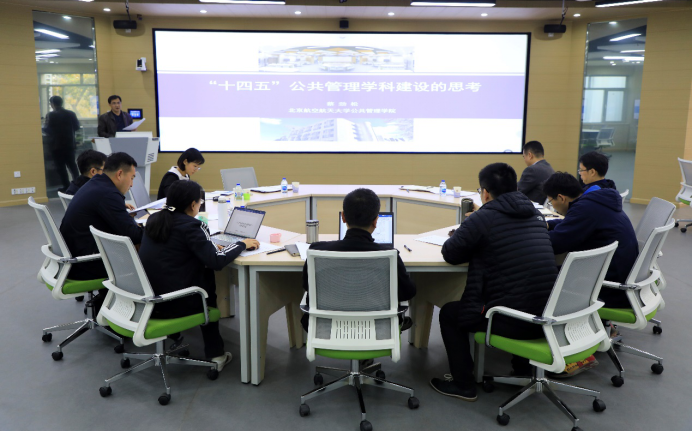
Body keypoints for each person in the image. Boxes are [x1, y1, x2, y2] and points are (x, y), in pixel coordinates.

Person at [430, 163, 558, 402]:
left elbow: (451, 253)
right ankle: (523, 370)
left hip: (514, 320)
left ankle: (463, 384)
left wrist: (468, 227)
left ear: (485, 193)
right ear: (515, 188)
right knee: (521, 289)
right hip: (548, 315)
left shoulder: (483, 218)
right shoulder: (536, 214)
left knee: (450, 314)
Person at [139, 181, 258, 371]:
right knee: (205, 278)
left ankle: (175, 335)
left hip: (148, 299)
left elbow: (176, 249)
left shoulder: (155, 220)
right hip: (178, 303)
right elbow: (216, 261)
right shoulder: (193, 225)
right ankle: (216, 354)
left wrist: (208, 246)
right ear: (193, 204)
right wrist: (242, 244)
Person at [300, 188, 416, 332]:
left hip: (327, 328)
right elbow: (408, 292)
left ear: (343, 217)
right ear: (376, 221)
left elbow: (307, 285)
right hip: (378, 329)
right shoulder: (389, 254)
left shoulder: (317, 251)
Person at [60, 152, 143, 310]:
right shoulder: (108, 194)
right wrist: (155, 227)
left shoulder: (96, 184)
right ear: (120, 174)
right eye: (132, 178)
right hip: (85, 264)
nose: (132, 184)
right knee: (143, 252)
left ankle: (108, 304)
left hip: (73, 258)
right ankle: (128, 309)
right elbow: (134, 235)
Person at [543, 172, 638, 308]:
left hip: (610, 290)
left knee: (542, 274)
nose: (552, 205)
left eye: (551, 202)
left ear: (561, 198)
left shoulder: (583, 209)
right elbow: (574, 223)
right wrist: (548, 224)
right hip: (621, 278)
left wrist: (532, 234)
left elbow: (555, 244)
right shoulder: (593, 202)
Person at [44, 95, 80, 192]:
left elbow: (47, 129)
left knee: (61, 168)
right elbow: (77, 127)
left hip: (56, 146)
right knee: (72, 166)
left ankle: (66, 186)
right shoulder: (71, 113)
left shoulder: (51, 115)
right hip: (69, 144)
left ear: (52, 104)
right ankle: (78, 185)